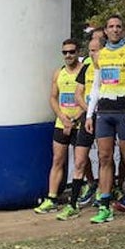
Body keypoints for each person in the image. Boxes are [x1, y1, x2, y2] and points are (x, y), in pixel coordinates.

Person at [85, 15, 125, 223]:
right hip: (104, 110)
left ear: (124, 30)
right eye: (111, 27)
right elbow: (95, 86)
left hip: (124, 111)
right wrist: (89, 114)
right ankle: (104, 206)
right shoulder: (99, 55)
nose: (115, 30)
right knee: (104, 157)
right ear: (105, 31)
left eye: (119, 26)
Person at [38, 39, 88, 216]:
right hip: (62, 122)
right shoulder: (58, 73)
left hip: (79, 122)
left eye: (72, 52)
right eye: (65, 52)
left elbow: (88, 99)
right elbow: (53, 97)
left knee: (81, 161)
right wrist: (62, 117)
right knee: (58, 160)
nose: (68, 55)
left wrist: (74, 120)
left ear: (78, 51)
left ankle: (86, 190)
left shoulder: (85, 71)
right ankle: (51, 198)